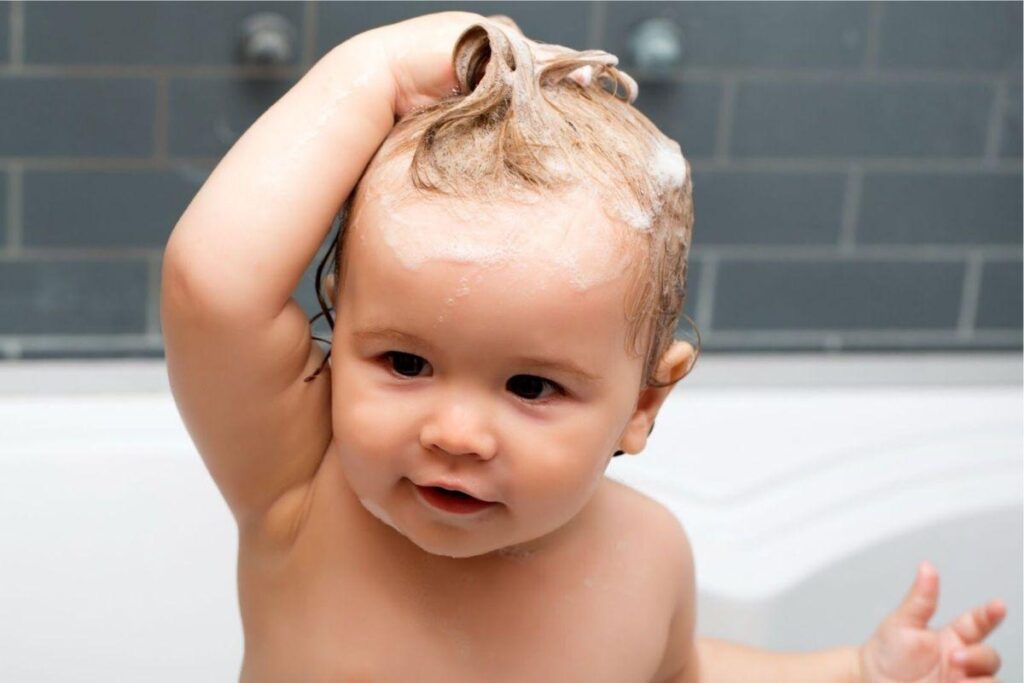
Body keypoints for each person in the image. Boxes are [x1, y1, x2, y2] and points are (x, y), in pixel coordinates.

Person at [161, 12, 1007, 682]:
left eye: (529, 385)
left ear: (644, 402)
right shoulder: (300, 490)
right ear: (338, 340)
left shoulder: (646, 558)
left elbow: (683, 672)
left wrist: (854, 671)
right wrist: (376, 70)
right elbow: (215, 285)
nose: (455, 431)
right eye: (404, 363)